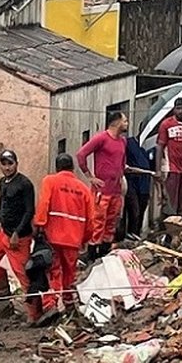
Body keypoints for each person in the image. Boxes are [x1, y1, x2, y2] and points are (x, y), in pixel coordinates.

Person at [0, 150, 37, 322]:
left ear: (16, 163)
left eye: (10, 163)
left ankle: (35, 314)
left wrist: (17, 233)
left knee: (23, 275)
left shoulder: (25, 184)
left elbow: (29, 210)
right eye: (4, 164)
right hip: (3, 232)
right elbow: (3, 203)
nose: (7, 167)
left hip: (19, 237)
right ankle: (2, 294)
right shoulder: (2, 182)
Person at [33, 153, 94, 321]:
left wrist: (39, 226)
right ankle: (68, 303)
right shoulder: (83, 189)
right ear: (72, 169)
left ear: (57, 167)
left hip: (52, 237)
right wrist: (84, 239)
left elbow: (43, 205)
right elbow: (91, 220)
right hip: (73, 239)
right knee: (69, 273)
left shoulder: (50, 181)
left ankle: (51, 304)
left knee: (52, 271)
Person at [76, 111, 129, 259]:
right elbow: (81, 154)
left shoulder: (123, 141)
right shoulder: (101, 138)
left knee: (111, 223)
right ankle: (92, 255)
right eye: (124, 121)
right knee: (98, 223)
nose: (126, 123)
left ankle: (104, 253)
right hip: (102, 191)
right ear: (116, 122)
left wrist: (121, 173)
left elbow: (122, 162)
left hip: (116, 191)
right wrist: (90, 177)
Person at [156, 98, 182, 215]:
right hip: (171, 168)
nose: (181, 111)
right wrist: (158, 170)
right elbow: (160, 147)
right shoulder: (166, 124)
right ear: (174, 109)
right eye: (178, 108)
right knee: (170, 202)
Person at [123, 136, 152, 238]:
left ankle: (136, 235)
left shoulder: (152, 147)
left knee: (141, 209)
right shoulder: (129, 142)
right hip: (132, 180)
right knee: (134, 210)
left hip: (145, 182)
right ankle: (129, 234)